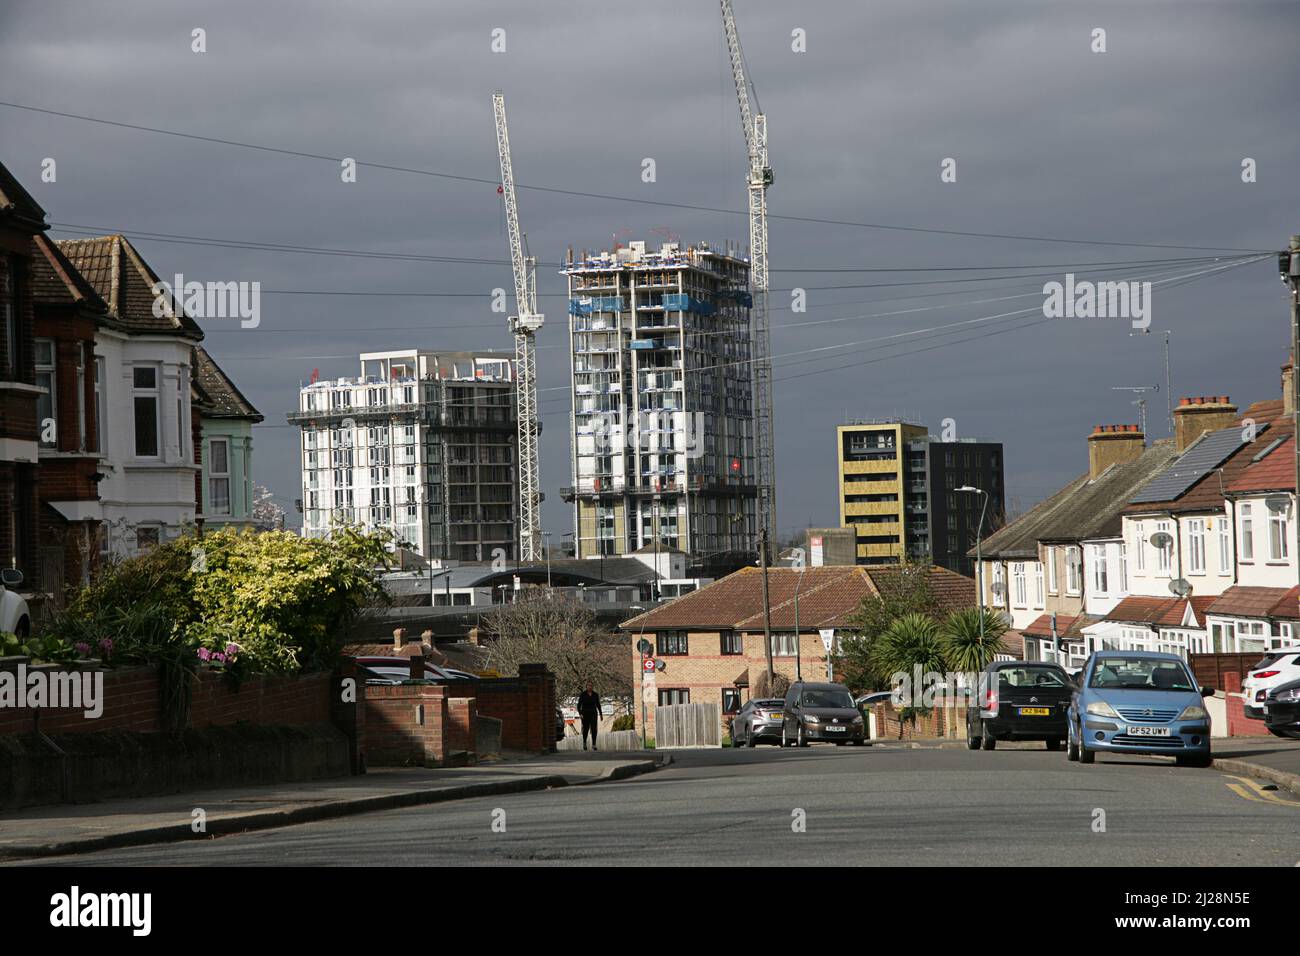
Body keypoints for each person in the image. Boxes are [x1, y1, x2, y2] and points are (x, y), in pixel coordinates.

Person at [577, 681, 601, 751]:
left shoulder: (595, 695)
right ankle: (584, 743)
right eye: (588, 686)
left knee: (594, 729)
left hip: (593, 713)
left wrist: (601, 714)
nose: (590, 687)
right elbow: (579, 705)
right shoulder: (583, 694)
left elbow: (598, 705)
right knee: (586, 729)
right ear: (586, 687)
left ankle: (594, 744)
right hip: (585, 714)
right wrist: (580, 713)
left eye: (591, 686)